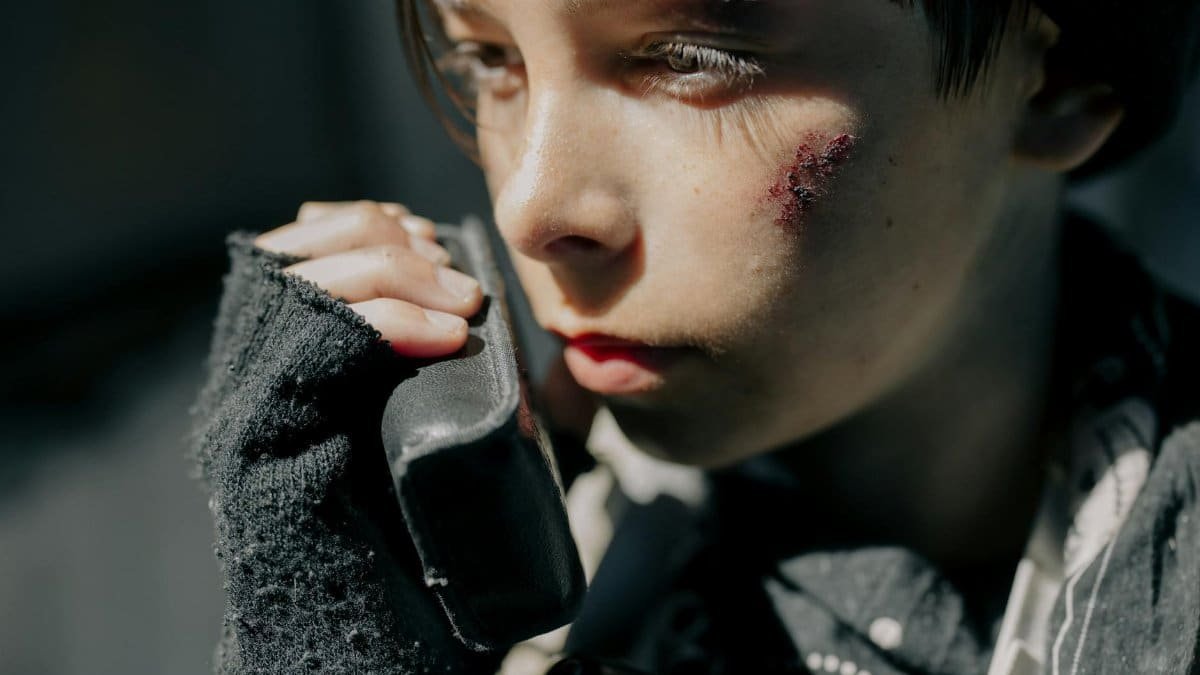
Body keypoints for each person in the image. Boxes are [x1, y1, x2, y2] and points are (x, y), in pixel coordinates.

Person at [189, 0, 1200, 673]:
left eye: (692, 58)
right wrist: (341, 626)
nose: (532, 207)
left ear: (1056, 82)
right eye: (490, 59)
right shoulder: (535, 553)